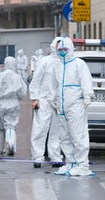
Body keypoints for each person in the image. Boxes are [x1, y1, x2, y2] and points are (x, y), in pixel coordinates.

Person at [47, 37, 94, 177]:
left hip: (76, 105)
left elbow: (86, 81)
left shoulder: (79, 64)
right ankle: (71, 163)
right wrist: (52, 99)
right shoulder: (58, 66)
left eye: (64, 49)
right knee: (64, 137)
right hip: (62, 106)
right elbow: (53, 85)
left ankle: (82, 165)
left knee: (78, 136)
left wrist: (87, 96)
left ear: (71, 49)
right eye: (59, 50)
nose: (62, 52)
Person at [29, 38, 63, 168]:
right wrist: (35, 98)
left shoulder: (65, 63)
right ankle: (37, 157)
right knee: (40, 129)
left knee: (57, 131)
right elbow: (36, 81)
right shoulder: (45, 61)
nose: (61, 49)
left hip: (58, 102)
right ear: (53, 46)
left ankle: (55, 156)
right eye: (59, 46)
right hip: (43, 101)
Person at [0, 56, 28, 156]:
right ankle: (11, 144)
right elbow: (23, 92)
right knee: (11, 125)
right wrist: (18, 98)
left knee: (1, 128)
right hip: (12, 102)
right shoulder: (17, 77)